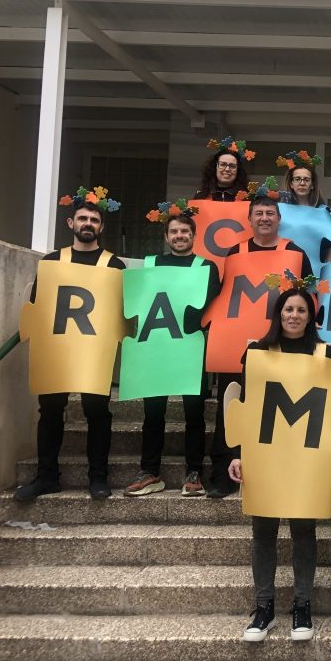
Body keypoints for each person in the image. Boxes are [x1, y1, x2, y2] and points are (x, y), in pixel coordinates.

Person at [229, 285, 331, 643]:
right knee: (263, 531)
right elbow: (243, 404)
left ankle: (302, 605)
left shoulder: (326, 355)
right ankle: (264, 607)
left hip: (306, 458)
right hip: (265, 455)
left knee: (304, 531)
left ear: (311, 317)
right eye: (288, 309)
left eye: (301, 310)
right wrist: (236, 453)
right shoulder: (257, 352)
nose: (294, 315)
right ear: (278, 314)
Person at [14, 188, 126, 501]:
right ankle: (46, 477)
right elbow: (38, 304)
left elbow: (121, 310)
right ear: (71, 223)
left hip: (94, 351)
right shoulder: (52, 261)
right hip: (57, 349)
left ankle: (98, 477)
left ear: (101, 227)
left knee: (97, 411)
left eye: (94, 220)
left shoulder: (114, 265)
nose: (88, 223)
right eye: (83, 218)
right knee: (51, 410)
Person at [208, 190, 313, 499]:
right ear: (250, 219)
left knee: (277, 411)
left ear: (279, 219)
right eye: (259, 213)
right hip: (234, 346)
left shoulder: (295, 252)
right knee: (230, 409)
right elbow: (223, 294)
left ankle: (274, 472)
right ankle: (222, 475)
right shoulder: (234, 252)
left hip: (280, 348)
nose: (265, 218)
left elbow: (307, 299)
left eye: (270, 214)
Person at [124, 205, 220, 498]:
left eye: (185, 232)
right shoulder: (150, 264)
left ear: (193, 235)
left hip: (190, 347)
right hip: (155, 347)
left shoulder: (206, 267)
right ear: (166, 236)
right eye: (174, 231)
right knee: (153, 413)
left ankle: (194, 472)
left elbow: (209, 305)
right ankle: (150, 472)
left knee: (195, 413)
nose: (180, 236)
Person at [193, 137, 253, 201]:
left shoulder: (247, 198)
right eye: (223, 164)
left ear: (238, 170)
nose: (227, 169)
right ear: (215, 166)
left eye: (232, 166)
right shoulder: (201, 197)